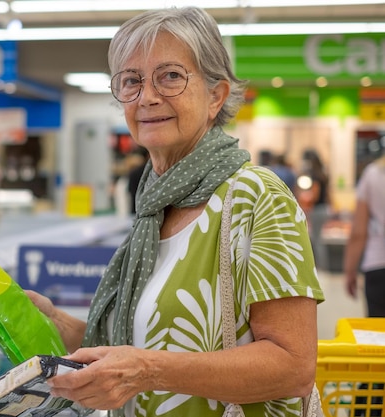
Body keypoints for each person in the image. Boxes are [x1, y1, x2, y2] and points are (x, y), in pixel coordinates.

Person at [26, 6, 325, 417]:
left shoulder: (257, 197)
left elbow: (293, 367)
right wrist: (58, 326)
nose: (147, 97)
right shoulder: (153, 208)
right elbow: (144, 343)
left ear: (215, 96)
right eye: (131, 81)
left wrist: (147, 371)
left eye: (170, 76)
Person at [343, 155, 385, 317]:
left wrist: (350, 269)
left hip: (377, 264)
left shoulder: (373, 174)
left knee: (378, 333)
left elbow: (359, 231)